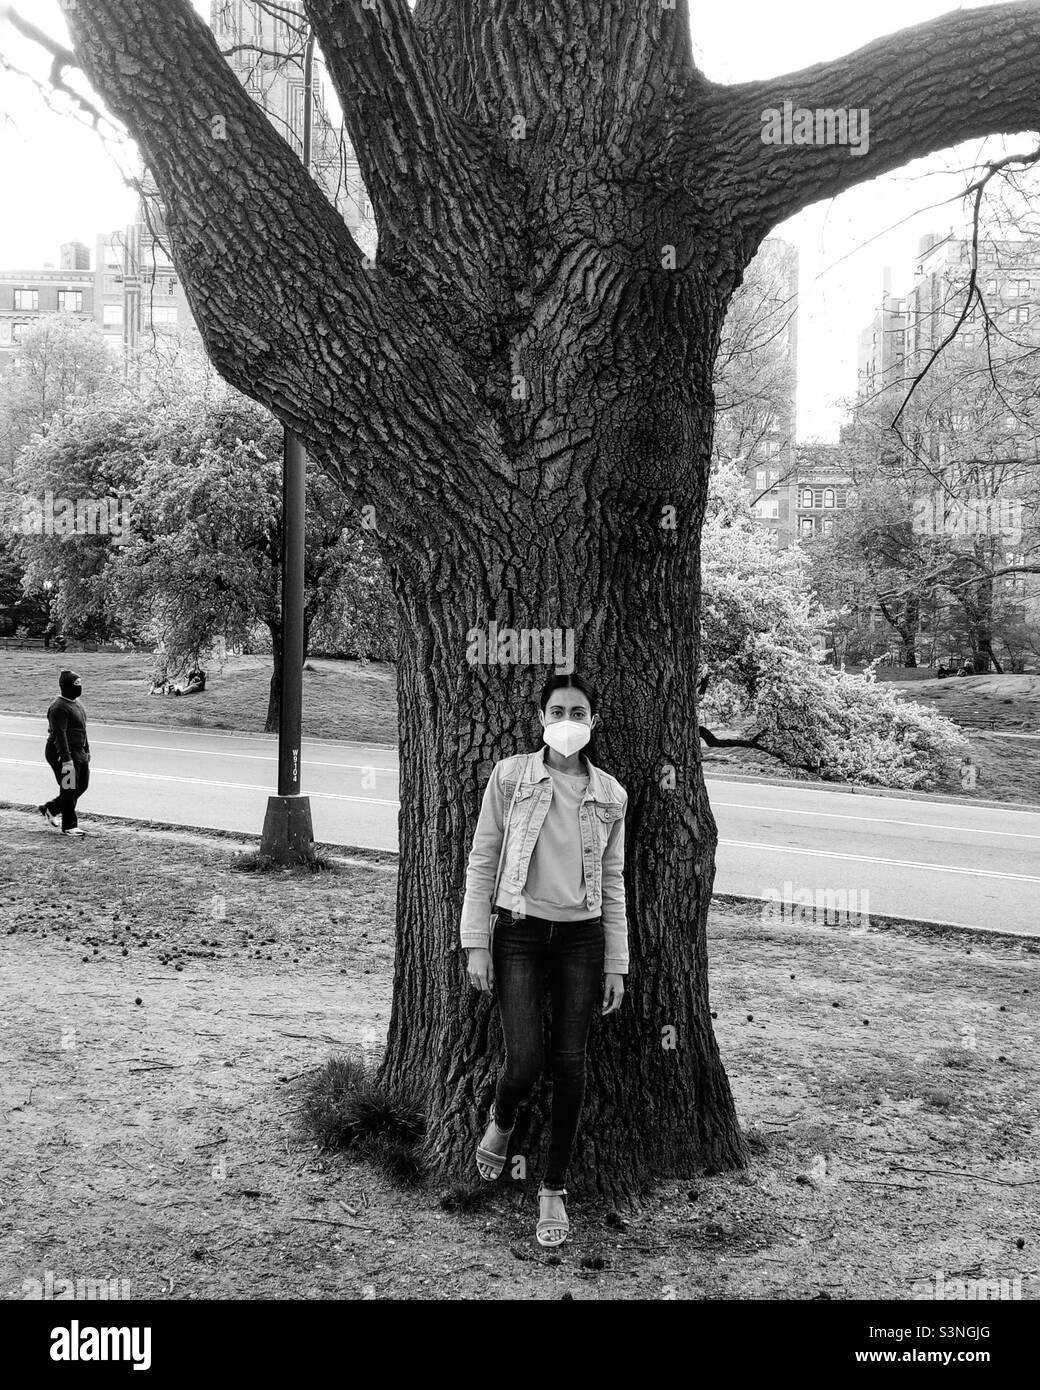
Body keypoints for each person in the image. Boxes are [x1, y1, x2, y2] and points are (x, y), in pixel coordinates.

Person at [459, 672, 628, 1247]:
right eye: (557, 711)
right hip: (520, 934)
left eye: (577, 712)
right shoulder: (511, 777)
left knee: (570, 1065)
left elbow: (613, 879)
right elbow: (483, 858)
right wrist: (476, 941)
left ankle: (552, 1187)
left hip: (582, 938)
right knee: (525, 1062)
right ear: (542, 719)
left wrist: (616, 962)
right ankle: (502, 1122)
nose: (566, 722)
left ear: (592, 722)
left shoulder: (610, 794)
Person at [38, 669, 91, 837]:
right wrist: (66, 760)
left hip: (79, 752)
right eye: (76, 684)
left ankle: (51, 808)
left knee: (82, 785)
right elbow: (59, 736)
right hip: (62, 753)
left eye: (80, 684)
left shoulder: (77, 704)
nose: (79, 687)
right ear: (66, 687)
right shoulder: (58, 708)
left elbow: (82, 729)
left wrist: (87, 750)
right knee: (69, 788)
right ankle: (70, 826)